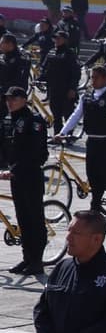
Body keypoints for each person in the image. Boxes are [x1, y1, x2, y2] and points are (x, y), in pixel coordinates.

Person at [56, 66, 106, 224]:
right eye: (92, 77)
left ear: (105, 78)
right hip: (93, 142)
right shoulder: (87, 96)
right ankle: (95, 209)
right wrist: (63, 132)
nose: (93, 80)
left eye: (96, 77)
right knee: (93, 176)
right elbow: (76, 115)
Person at [0, 86, 50, 275]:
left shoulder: (34, 120)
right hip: (16, 176)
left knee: (34, 218)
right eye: (7, 99)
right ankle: (27, 257)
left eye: (13, 99)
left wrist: (13, 170)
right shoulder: (8, 120)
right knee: (22, 218)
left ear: (23, 100)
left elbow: (34, 151)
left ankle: (37, 260)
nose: (9, 102)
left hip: (30, 175)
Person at [39, 30, 80, 135]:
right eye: (55, 38)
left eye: (59, 38)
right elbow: (45, 68)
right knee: (56, 113)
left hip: (66, 88)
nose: (56, 40)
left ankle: (69, 135)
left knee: (67, 113)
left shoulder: (70, 53)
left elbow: (76, 72)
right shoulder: (51, 52)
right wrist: (39, 79)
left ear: (65, 40)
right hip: (53, 88)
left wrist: (73, 88)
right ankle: (57, 135)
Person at [0, 35, 32, 121]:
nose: (0, 45)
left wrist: (2, 90)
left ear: (10, 44)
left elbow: (19, 80)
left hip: (14, 95)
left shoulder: (21, 59)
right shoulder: (3, 56)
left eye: (1, 43)